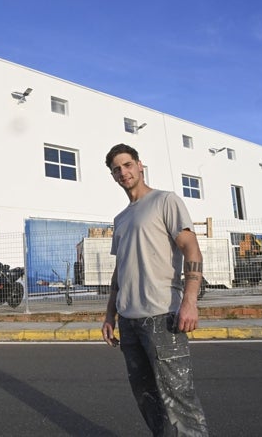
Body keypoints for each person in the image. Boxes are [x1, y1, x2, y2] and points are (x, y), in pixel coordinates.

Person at [101, 143, 208, 436]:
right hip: (129, 322)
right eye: (116, 169)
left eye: (127, 165)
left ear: (139, 165)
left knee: (180, 399)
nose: (123, 172)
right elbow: (119, 271)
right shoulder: (120, 219)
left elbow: (192, 250)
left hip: (162, 316)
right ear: (113, 176)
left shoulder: (165, 201)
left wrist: (190, 301)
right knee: (147, 398)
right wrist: (110, 315)